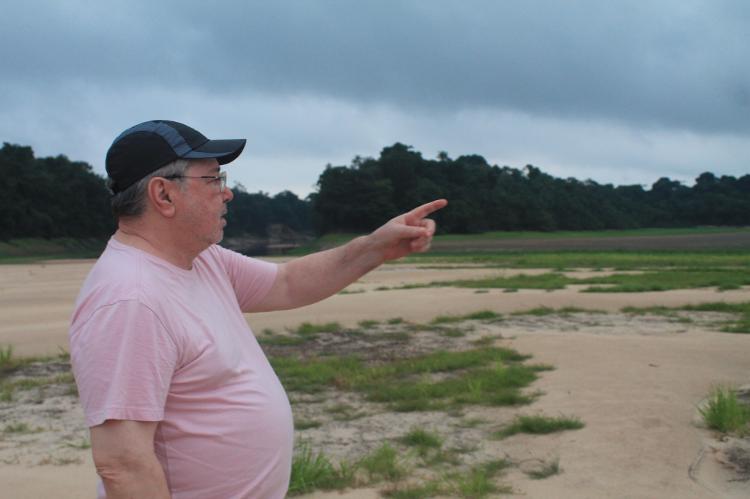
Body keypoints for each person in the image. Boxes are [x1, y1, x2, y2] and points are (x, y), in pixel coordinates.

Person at [69, 119, 447, 499]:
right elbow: (123, 464)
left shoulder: (202, 261)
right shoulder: (131, 300)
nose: (227, 192)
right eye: (213, 178)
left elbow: (287, 282)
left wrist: (375, 247)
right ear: (164, 195)